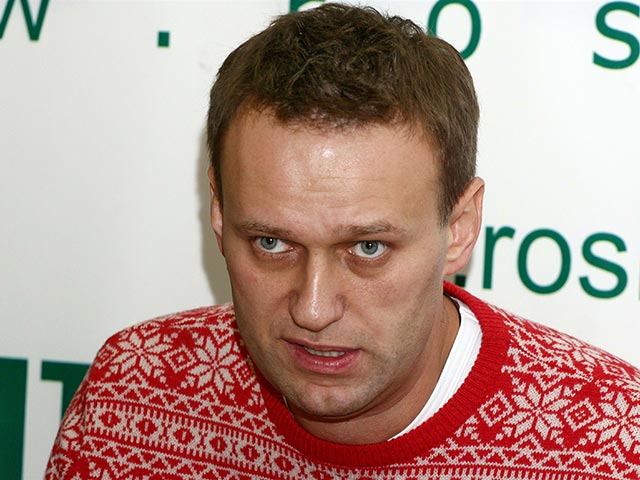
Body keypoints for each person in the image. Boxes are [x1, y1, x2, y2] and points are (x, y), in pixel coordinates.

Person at [46, 3, 640, 479]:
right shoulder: (132, 392)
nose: (312, 309)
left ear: (459, 228)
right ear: (220, 214)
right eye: (271, 243)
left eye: (368, 249)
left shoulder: (610, 444)